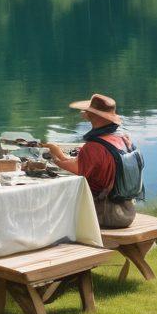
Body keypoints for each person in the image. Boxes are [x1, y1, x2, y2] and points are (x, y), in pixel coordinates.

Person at [44, 93, 144, 229]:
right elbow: (83, 163)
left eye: (88, 110)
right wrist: (61, 155)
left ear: (93, 115)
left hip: (105, 215)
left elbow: (75, 167)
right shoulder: (124, 140)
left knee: (51, 203)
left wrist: (55, 156)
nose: (84, 112)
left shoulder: (93, 147)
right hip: (127, 212)